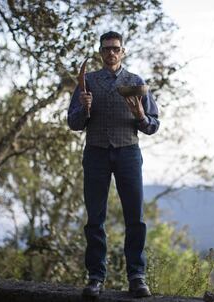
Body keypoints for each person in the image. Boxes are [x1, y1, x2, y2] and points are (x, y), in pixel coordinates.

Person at [67, 31, 160, 298]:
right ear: (100, 52)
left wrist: (141, 115)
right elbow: (73, 124)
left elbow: (153, 126)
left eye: (115, 49)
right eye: (106, 49)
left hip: (128, 153)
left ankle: (137, 277)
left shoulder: (136, 82)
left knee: (135, 218)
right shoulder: (88, 82)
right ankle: (95, 278)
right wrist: (84, 108)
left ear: (123, 51)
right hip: (95, 153)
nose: (111, 53)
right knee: (95, 219)